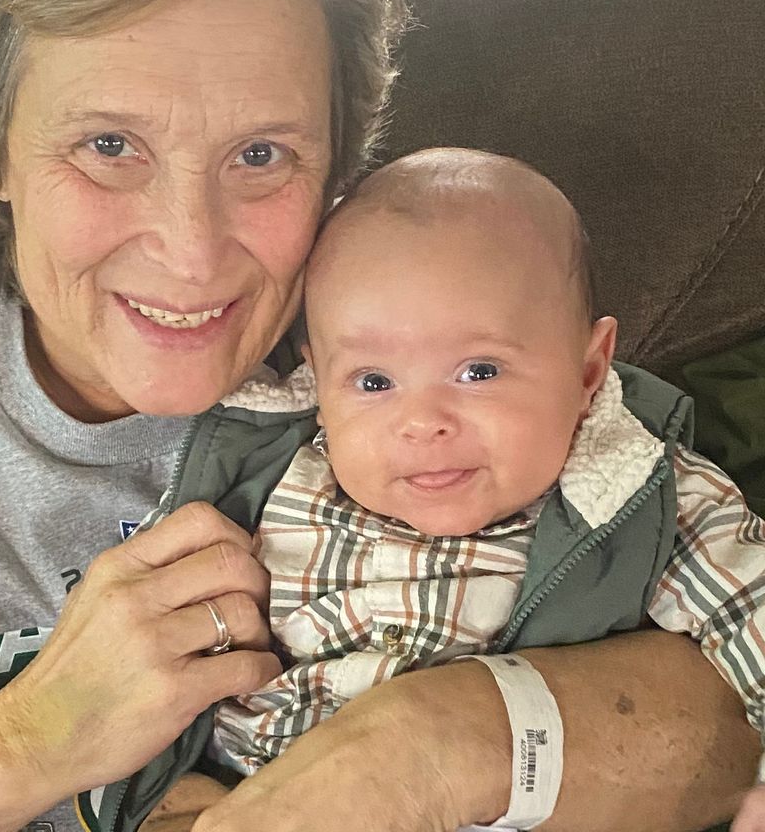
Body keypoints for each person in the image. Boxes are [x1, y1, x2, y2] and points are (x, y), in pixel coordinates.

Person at [0, 0, 757, 832]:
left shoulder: (428, 328)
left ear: (338, 165)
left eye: (260, 155)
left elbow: (718, 698)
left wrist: (430, 746)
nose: (191, 252)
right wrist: (24, 739)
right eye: (108, 145)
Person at [193, 149, 765, 823]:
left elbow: (753, 613)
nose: (422, 422)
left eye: (479, 372)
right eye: (374, 382)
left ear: (588, 371)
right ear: (319, 385)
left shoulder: (647, 498)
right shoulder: (266, 481)